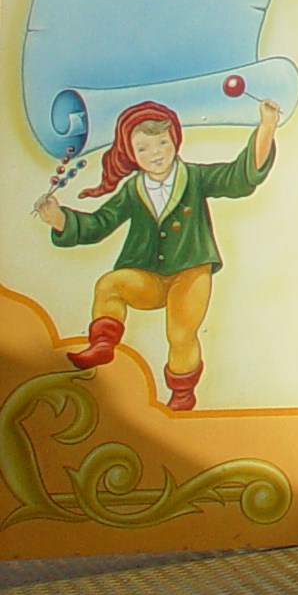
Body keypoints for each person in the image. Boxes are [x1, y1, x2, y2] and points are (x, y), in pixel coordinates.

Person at [38, 96, 282, 410]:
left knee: (180, 335)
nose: (155, 154)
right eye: (143, 148)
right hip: (148, 275)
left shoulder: (194, 177)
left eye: (162, 143)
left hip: (190, 272)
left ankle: (182, 395)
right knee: (110, 284)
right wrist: (59, 219)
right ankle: (103, 344)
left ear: (175, 141)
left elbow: (239, 178)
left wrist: (266, 127)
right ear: (131, 154)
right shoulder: (132, 189)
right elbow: (100, 223)